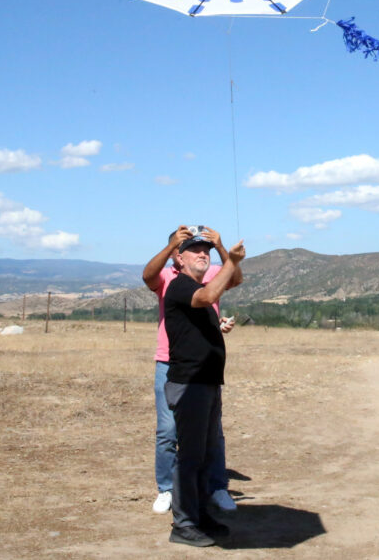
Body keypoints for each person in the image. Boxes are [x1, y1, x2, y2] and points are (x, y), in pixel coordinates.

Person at [153, 226, 245, 548]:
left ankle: (200, 515)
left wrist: (231, 263)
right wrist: (230, 261)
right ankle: (184, 524)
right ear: (179, 258)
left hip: (205, 383)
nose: (203, 254)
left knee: (203, 455)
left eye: (206, 250)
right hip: (189, 384)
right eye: (195, 250)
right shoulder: (179, 286)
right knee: (189, 456)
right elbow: (208, 295)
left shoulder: (194, 289)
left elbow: (214, 296)